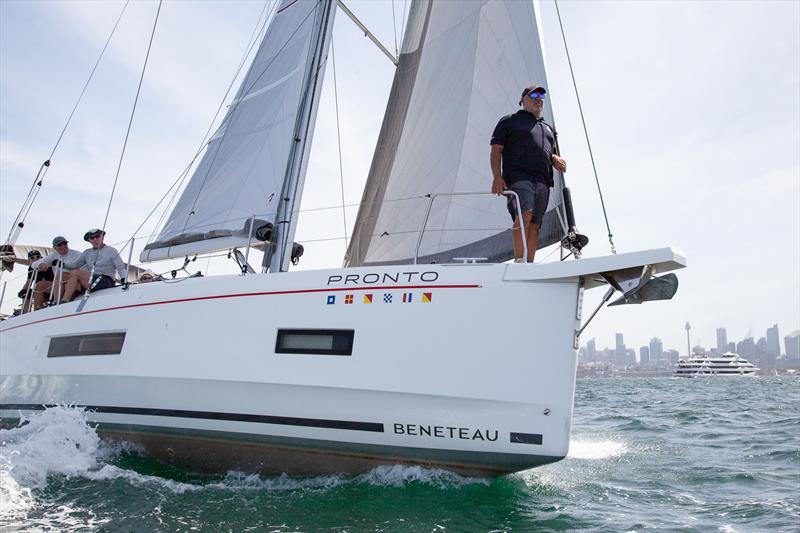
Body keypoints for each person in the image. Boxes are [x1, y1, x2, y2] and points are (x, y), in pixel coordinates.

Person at [490, 84, 567, 263]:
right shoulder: (509, 121)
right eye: (534, 95)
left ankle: (528, 264)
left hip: (543, 181)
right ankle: (519, 260)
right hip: (519, 178)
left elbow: (550, 151)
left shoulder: (548, 128)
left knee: (535, 225)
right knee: (524, 214)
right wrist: (497, 177)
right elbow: (496, 149)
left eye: (541, 96)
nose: (539, 99)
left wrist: (554, 157)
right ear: (523, 100)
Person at [62, 228, 128, 301]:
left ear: (102, 237)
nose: (95, 239)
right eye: (92, 238)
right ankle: (63, 303)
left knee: (75, 273)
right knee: (65, 276)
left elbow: (120, 267)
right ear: (89, 240)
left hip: (106, 280)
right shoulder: (87, 252)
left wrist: (124, 279)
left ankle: (64, 301)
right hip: (91, 280)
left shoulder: (111, 250)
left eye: (97, 236)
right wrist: (62, 264)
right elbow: (75, 265)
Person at [30, 236, 82, 308]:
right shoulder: (53, 255)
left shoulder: (77, 254)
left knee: (61, 275)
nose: (63, 246)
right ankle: (36, 311)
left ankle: (55, 302)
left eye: (64, 243)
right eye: (59, 245)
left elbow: (85, 270)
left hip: (74, 283)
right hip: (58, 284)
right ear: (54, 248)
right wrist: (40, 264)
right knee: (40, 285)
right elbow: (33, 264)